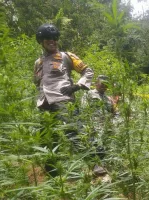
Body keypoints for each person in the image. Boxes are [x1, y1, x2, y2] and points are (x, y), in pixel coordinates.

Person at [33, 23, 94, 176]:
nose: (52, 41)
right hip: (45, 103)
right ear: (41, 41)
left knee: (75, 132)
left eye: (54, 38)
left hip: (63, 100)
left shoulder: (67, 56)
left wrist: (77, 86)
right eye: (48, 38)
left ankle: (95, 164)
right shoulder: (38, 62)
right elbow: (37, 82)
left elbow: (87, 71)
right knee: (47, 137)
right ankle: (52, 172)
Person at [81, 75, 116, 176]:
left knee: (108, 142)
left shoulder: (108, 98)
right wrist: (88, 124)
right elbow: (84, 109)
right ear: (96, 84)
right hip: (93, 123)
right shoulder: (89, 94)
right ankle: (97, 165)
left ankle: (106, 163)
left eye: (106, 85)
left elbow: (112, 112)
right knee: (96, 142)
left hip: (106, 124)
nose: (104, 87)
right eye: (102, 84)